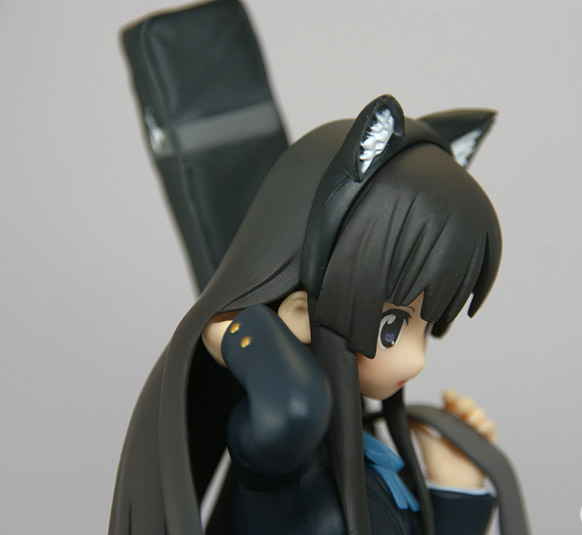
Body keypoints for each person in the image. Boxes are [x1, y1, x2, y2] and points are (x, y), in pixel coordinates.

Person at [110, 95, 504, 535]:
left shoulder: (367, 456)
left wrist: (455, 488)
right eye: (391, 328)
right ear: (300, 315)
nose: (417, 361)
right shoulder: (283, 458)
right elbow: (292, 410)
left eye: (425, 328)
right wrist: (235, 327)